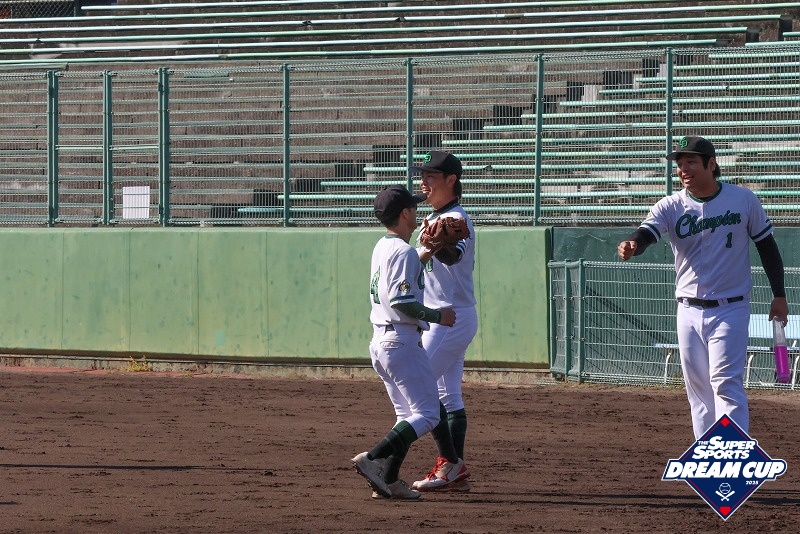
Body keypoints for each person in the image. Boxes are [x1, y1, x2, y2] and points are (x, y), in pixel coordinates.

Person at [617, 135, 789, 439]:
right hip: (687, 310)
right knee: (698, 392)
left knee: (725, 383)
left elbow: (767, 246)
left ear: (711, 164)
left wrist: (779, 295)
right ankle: (706, 455)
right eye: (680, 164)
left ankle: (732, 454)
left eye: (691, 162)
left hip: (730, 308)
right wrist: (633, 243)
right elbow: (646, 232)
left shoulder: (743, 199)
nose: (683, 169)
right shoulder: (670, 205)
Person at [351, 184, 459, 500]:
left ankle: (389, 479)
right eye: (413, 207)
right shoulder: (403, 251)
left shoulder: (383, 246)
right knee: (429, 415)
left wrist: (427, 251)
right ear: (405, 214)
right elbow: (402, 301)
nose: (417, 210)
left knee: (407, 416)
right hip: (401, 341)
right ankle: (372, 459)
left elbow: (402, 279)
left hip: (382, 342)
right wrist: (439, 316)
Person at [408, 151, 477, 492]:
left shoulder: (457, 218)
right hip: (446, 317)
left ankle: (449, 463)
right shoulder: (435, 217)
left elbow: (453, 256)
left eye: (431, 176)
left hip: (451, 317)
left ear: (451, 180)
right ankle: (454, 469)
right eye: (422, 175)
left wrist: (441, 246)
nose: (424, 181)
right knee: (447, 396)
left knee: (418, 386)